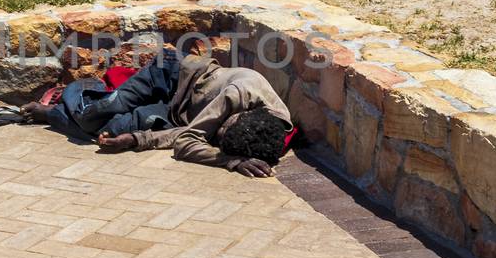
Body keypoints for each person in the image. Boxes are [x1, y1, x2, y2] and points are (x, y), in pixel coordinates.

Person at [21, 49, 294, 177]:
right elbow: (189, 140)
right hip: (169, 75)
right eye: (221, 130)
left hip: (177, 112)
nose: (216, 133)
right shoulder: (239, 94)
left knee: (111, 132)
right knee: (99, 112)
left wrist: (137, 139)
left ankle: (51, 115)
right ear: (240, 115)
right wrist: (229, 161)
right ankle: (79, 90)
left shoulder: (266, 133)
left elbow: (191, 133)